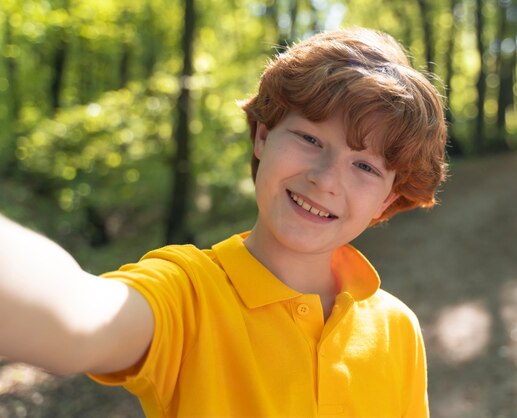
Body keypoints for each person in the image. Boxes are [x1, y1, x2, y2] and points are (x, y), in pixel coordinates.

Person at [0, 27, 447, 417]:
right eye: (310, 138)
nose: (326, 179)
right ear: (263, 136)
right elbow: (75, 320)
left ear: (387, 199)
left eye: (364, 167)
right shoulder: (188, 295)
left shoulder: (397, 328)